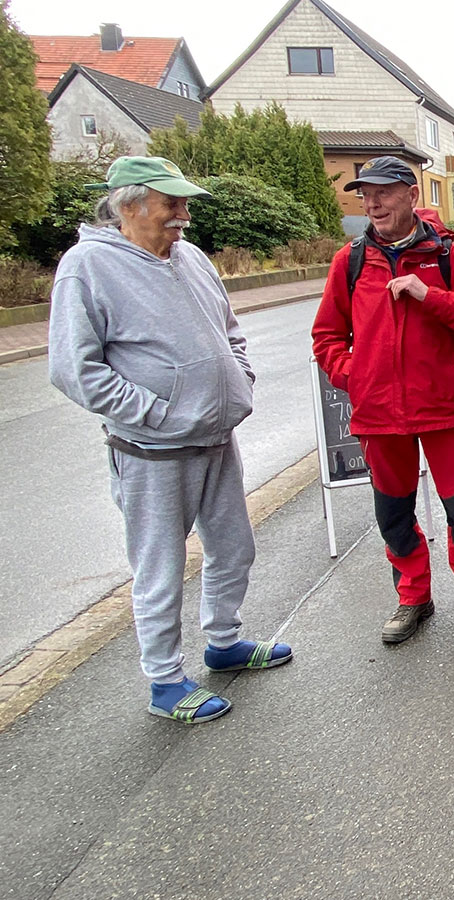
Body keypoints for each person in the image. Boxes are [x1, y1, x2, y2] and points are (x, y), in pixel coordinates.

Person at [48, 156, 292, 723]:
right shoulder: (87, 266)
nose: (184, 213)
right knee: (160, 569)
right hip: (150, 451)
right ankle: (164, 681)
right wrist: (155, 414)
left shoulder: (191, 257)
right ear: (129, 205)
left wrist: (239, 379)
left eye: (184, 202)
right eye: (171, 202)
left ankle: (224, 642)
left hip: (216, 439)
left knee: (233, 547)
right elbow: (74, 370)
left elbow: (230, 331)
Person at [311, 156, 454, 644]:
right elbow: (326, 337)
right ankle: (413, 596)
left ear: (411, 195)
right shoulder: (350, 261)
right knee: (393, 514)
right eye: (366, 195)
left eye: (383, 192)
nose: (372, 203)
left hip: (443, 410)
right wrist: (356, 376)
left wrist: (429, 295)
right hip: (378, 416)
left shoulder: (446, 257)